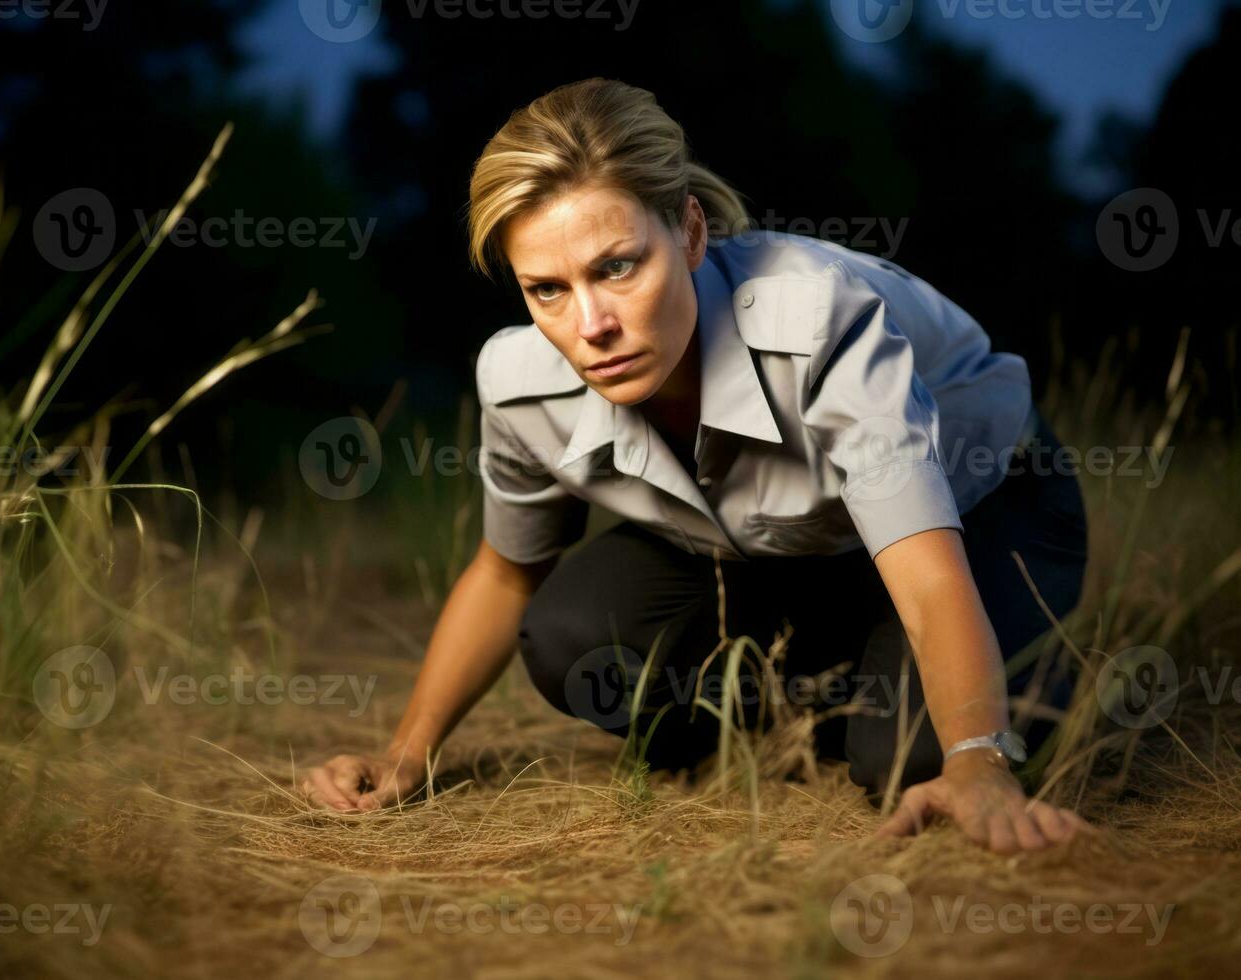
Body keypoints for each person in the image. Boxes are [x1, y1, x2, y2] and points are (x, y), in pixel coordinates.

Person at [305, 77, 1094, 854]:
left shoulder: (815, 318)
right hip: (782, 544)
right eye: (545, 289)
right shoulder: (517, 383)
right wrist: (407, 753)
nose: (590, 327)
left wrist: (978, 760)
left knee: (916, 761)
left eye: (617, 267)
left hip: (984, 503)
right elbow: (506, 574)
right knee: (573, 637)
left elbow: (925, 575)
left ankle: (993, 673)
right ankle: (834, 681)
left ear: (687, 233)